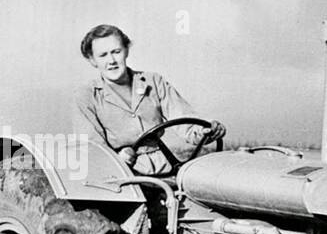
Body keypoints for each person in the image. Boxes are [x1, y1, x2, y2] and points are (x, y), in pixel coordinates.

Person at [74, 24, 226, 176]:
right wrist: (118, 159)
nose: (112, 60)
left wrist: (207, 131)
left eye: (116, 52)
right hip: (123, 174)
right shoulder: (86, 96)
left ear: (126, 51)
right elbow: (93, 149)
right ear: (92, 60)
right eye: (103, 55)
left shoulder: (154, 81)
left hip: (165, 166)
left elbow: (185, 122)